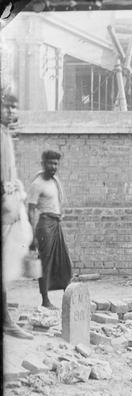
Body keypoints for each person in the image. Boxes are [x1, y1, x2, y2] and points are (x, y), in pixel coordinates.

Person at [1, 86, 33, 339]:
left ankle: (6, 319)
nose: (10, 110)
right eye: (6, 105)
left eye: (13, 106)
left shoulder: (5, 134)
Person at [28, 150, 72, 309]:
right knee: (45, 263)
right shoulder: (37, 184)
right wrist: (31, 236)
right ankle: (45, 300)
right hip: (45, 226)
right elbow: (31, 210)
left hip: (56, 225)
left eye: (56, 163)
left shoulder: (55, 181)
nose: (53, 166)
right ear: (43, 164)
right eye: (50, 163)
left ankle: (69, 296)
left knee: (63, 260)